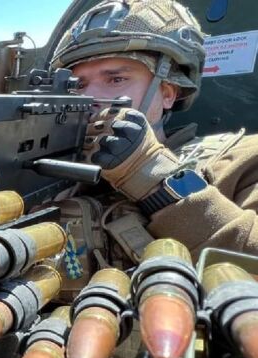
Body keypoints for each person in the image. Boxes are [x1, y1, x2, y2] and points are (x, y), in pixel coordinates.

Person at [52, 0, 258, 257]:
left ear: (168, 93)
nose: (89, 98)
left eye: (116, 79)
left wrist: (149, 172)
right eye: (78, 85)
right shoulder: (57, 172)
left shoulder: (241, 161)